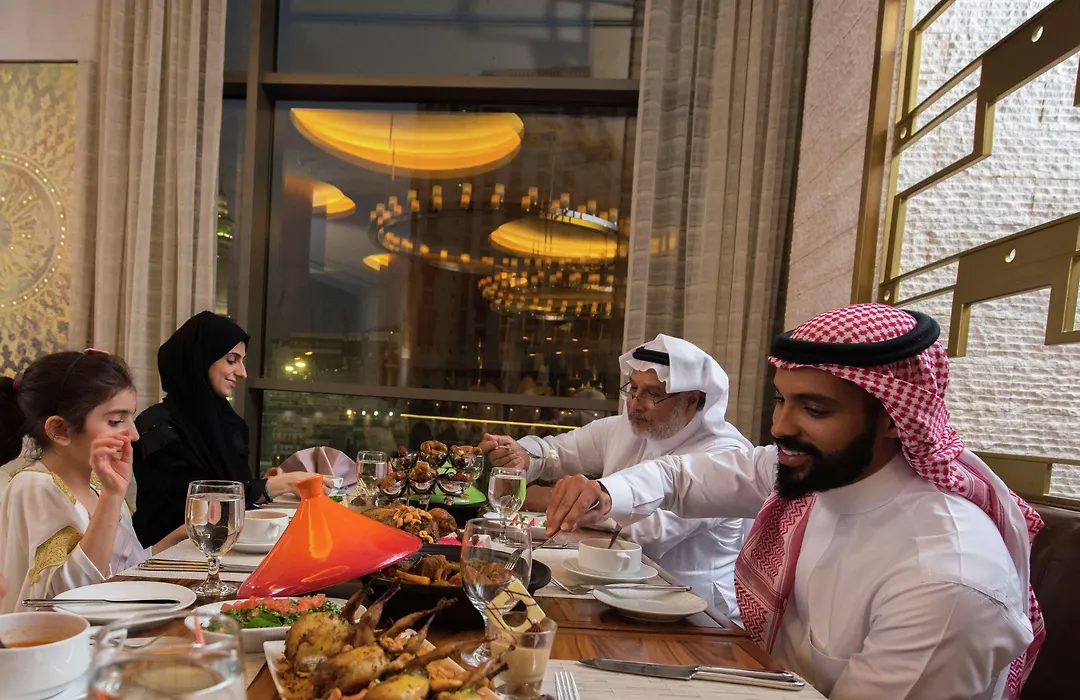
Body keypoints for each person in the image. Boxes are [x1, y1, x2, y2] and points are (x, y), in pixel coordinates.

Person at [544, 304, 1043, 700]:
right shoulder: (824, 475)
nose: (780, 426)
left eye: (815, 409)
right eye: (782, 400)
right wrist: (607, 492)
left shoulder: (945, 580)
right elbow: (682, 474)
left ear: (894, 419)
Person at [480, 334, 754, 619]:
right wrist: (524, 455)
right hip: (614, 591)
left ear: (690, 401)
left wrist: (552, 498)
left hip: (697, 614)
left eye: (652, 394)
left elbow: (649, 530)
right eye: (633, 389)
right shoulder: (626, 428)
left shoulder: (724, 455)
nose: (635, 404)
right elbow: (556, 452)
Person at [0, 351, 188, 614]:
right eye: (116, 421)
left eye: (131, 417)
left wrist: (181, 535)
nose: (134, 435)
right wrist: (112, 497)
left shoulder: (97, 487)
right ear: (60, 430)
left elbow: (122, 570)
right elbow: (67, 599)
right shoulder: (35, 486)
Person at [132, 312, 330, 546]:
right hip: (169, 554)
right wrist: (276, 485)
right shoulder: (156, 426)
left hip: (229, 545)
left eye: (242, 361)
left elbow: (234, 490)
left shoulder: (231, 424)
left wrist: (262, 485)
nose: (243, 373)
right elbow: (196, 508)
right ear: (200, 360)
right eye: (232, 360)